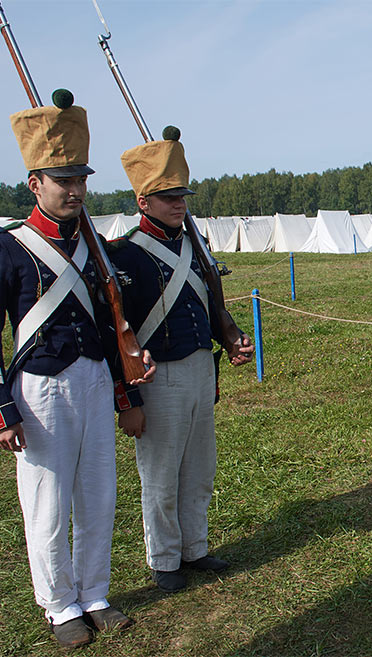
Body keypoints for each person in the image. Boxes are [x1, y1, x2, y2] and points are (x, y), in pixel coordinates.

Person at [0, 90, 155, 649]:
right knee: (47, 505)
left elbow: (109, 324)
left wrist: (126, 392)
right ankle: (57, 604)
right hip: (40, 391)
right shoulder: (5, 248)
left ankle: (94, 592)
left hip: (95, 381)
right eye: (61, 180)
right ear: (36, 184)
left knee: (98, 494)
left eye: (79, 180)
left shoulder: (91, 244)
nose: (74, 190)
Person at [109, 126, 254, 593]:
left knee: (199, 468)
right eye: (168, 197)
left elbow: (209, 306)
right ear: (143, 203)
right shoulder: (126, 255)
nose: (179, 204)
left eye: (181, 196)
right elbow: (118, 330)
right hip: (159, 378)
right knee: (161, 474)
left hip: (197, 368)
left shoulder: (195, 247)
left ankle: (195, 547)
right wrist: (127, 394)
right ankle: (165, 560)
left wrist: (229, 336)